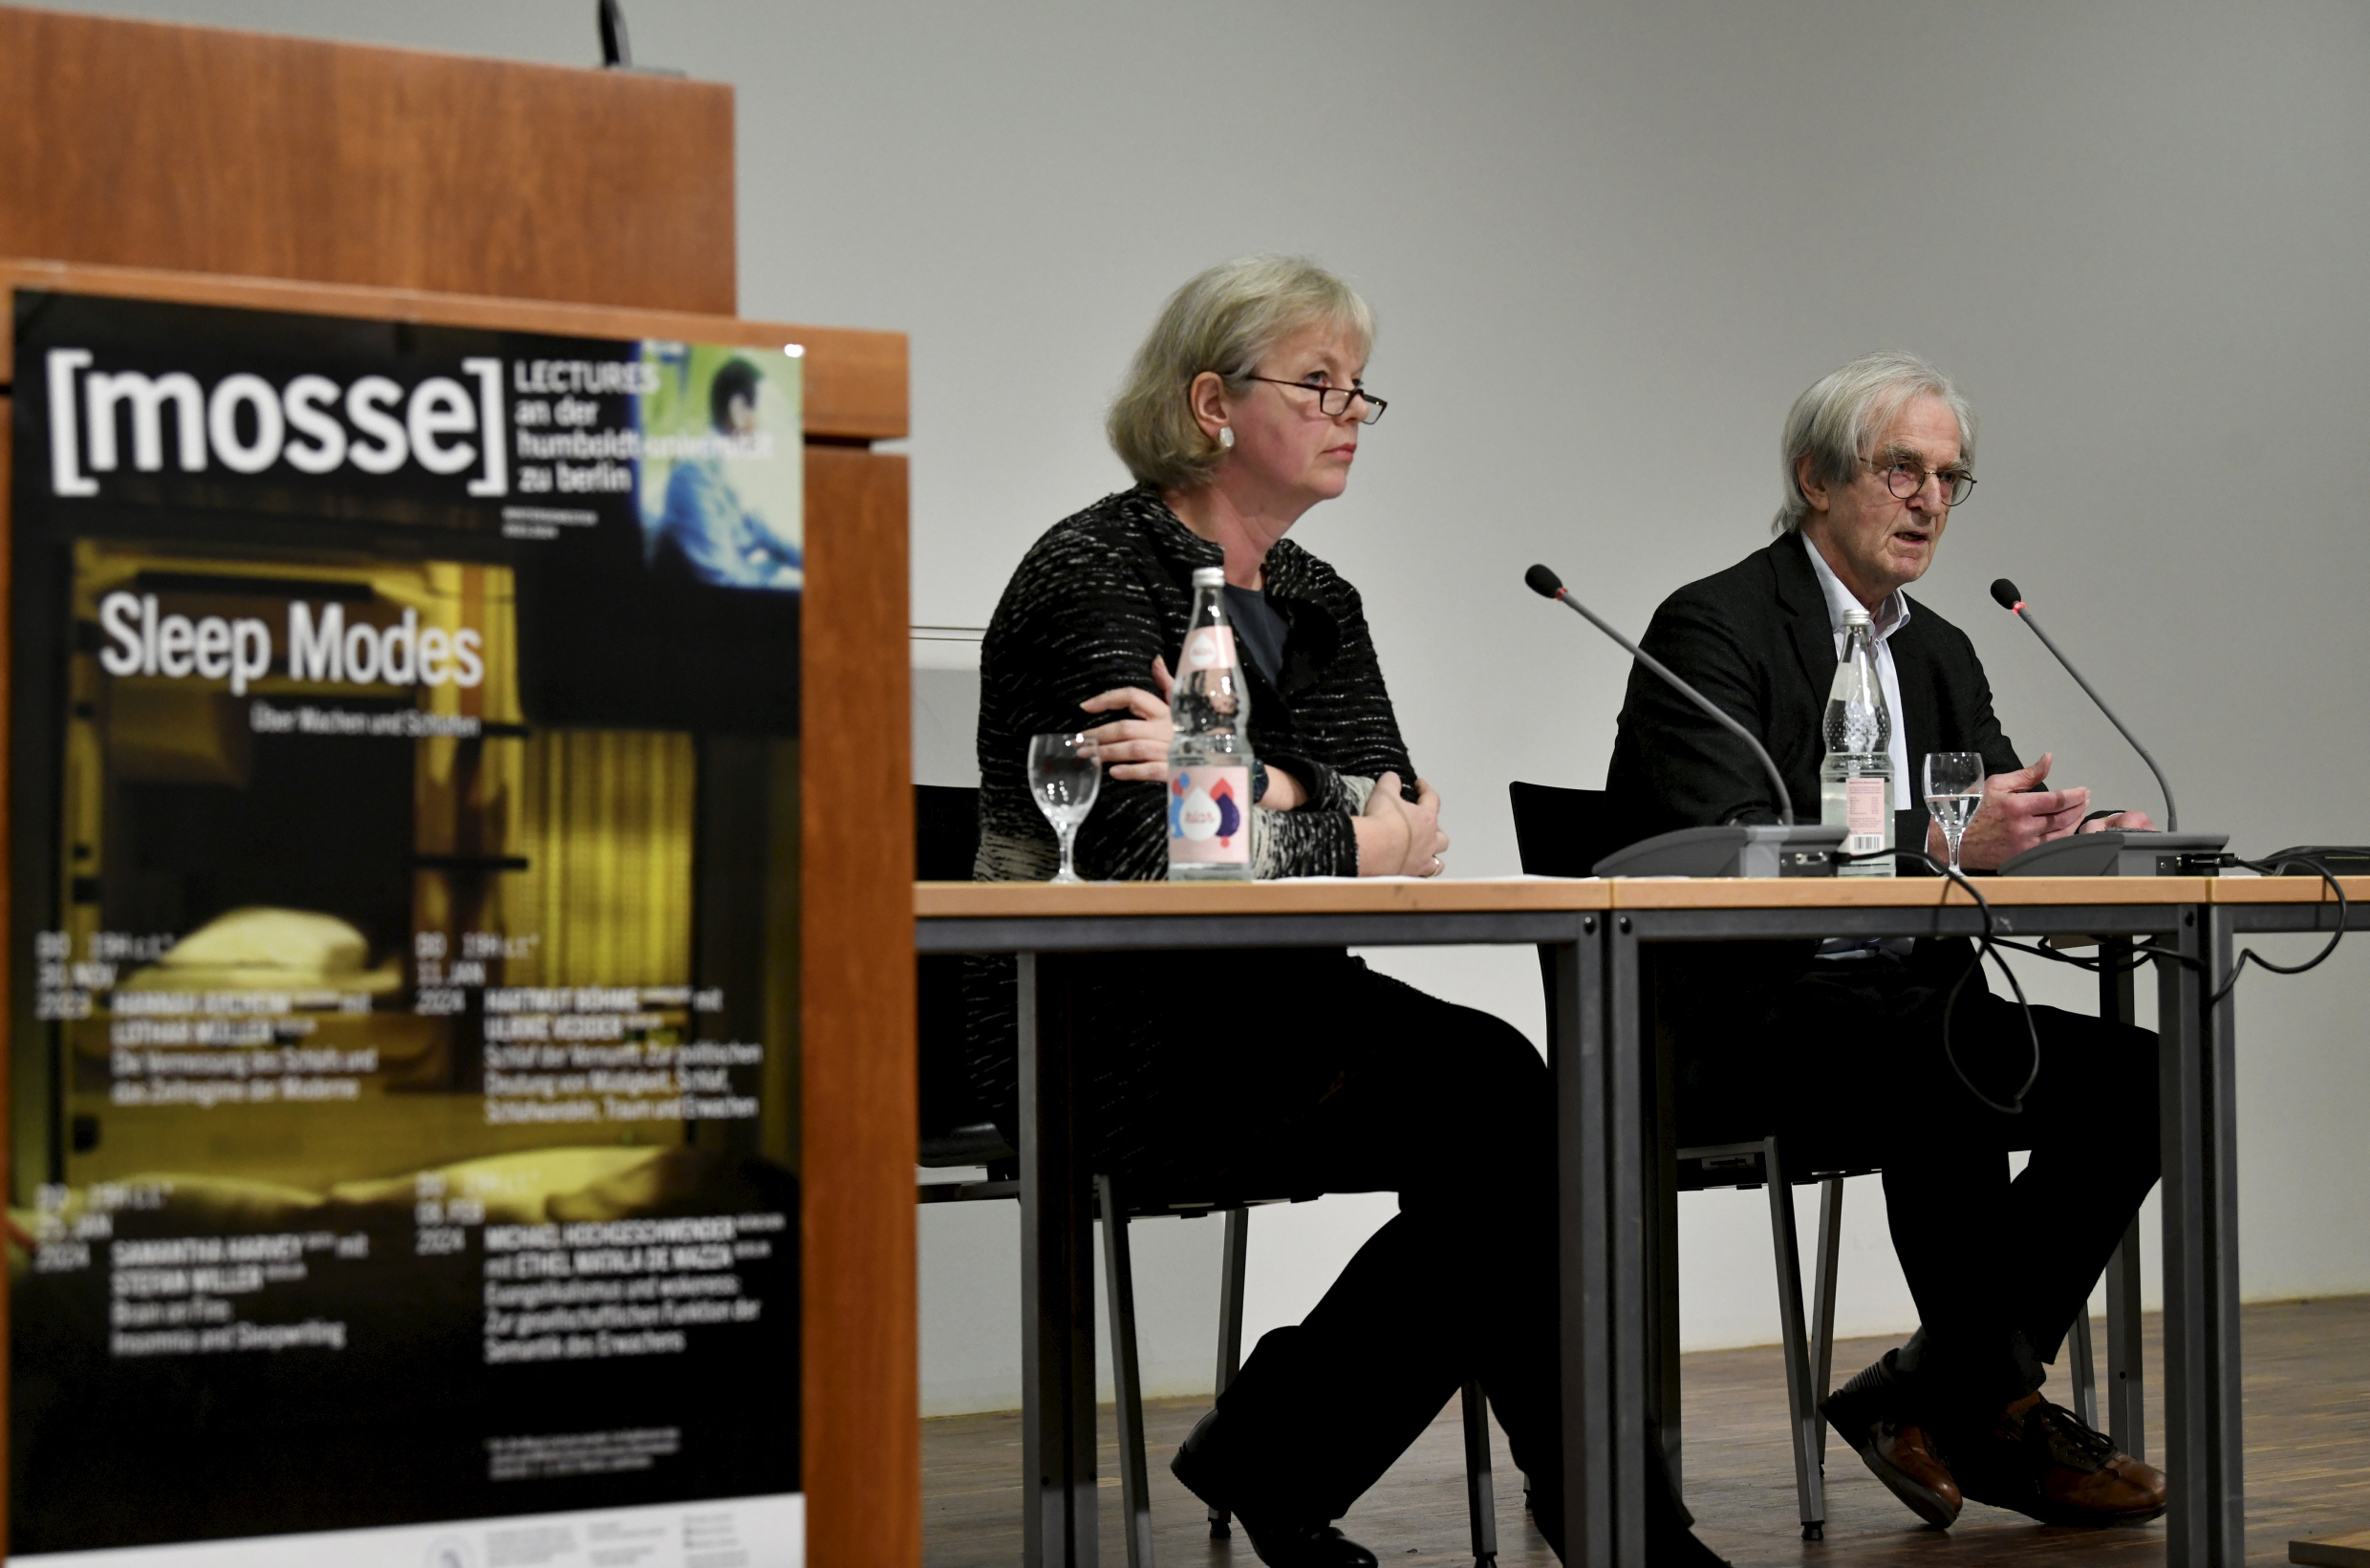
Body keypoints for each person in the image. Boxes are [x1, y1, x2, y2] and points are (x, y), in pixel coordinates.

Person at [966, 256, 1722, 1568]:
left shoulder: (1317, 598)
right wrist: (1324, 811)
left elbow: (1400, 819)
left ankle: (1316, 1457)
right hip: (1097, 1021)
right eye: (1316, 384)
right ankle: (1535, 1504)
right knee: (1497, 1104)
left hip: (1278, 1003)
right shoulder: (1093, 571)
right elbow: (1152, 854)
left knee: (1512, 1100)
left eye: (1360, 388)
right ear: (1212, 402)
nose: (1350, 413)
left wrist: (1260, 783)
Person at [1604, 351, 2170, 1531]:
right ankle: (1995, 1412)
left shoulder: (1939, 649)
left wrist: (2069, 838)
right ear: (1814, 478)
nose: (1927, 501)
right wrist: (1948, 838)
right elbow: (1728, 846)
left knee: (2148, 1079)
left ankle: (1930, 1390)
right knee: (1939, 1060)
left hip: (1907, 1003)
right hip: (1738, 1020)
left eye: (1947, 478)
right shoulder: (1711, 627)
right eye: (1899, 470)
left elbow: (1985, 830)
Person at [653, 356, 802, 588]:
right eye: (767, 410)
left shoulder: (722, 470)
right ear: (738, 410)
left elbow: (763, 534)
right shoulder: (693, 477)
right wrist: (783, 581)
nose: (769, 426)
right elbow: (723, 577)